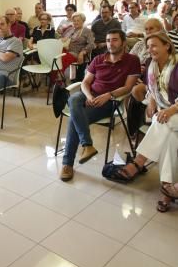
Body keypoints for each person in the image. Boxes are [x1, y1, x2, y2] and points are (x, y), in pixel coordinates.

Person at [107, 33, 178, 213]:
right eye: (148, 46)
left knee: (162, 120)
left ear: (167, 46)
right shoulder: (151, 66)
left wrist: (170, 110)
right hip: (167, 115)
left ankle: (139, 162)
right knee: (169, 138)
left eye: (154, 45)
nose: (150, 50)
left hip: (173, 111)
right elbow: (152, 90)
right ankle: (168, 190)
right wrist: (153, 100)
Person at [59, 29, 141, 182]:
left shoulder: (132, 60)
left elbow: (128, 87)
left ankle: (67, 164)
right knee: (73, 100)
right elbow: (85, 83)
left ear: (123, 42)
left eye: (115, 40)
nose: (111, 43)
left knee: (73, 119)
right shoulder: (98, 59)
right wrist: (89, 96)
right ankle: (87, 145)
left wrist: (108, 95)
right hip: (90, 94)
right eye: (109, 40)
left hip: (110, 101)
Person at [60, 12, 95, 80]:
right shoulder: (70, 29)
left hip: (77, 53)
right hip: (66, 51)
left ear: (83, 21)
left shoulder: (87, 31)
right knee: (55, 58)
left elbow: (92, 44)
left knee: (60, 60)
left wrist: (83, 52)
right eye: (74, 20)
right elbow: (63, 39)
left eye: (78, 20)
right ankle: (59, 78)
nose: (75, 22)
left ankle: (59, 78)